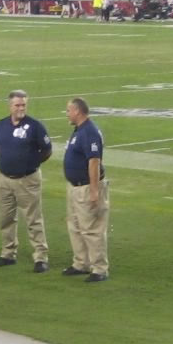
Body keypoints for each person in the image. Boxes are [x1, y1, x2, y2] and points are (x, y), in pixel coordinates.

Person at [0, 90, 53, 273]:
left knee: (33, 219)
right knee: (6, 218)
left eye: (23, 104)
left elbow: (47, 150)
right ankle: (7, 253)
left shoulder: (35, 126)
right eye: (17, 105)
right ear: (10, 106)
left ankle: (41, 257)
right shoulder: (1, 125)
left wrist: (31, 163)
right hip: (4, 179)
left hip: (27, 179)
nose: (21, 108)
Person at [61, 98, 108, 283]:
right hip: (75, 187)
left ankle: (99, 268)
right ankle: (81, 263)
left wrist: (94, 191)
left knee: (91, 229)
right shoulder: (79, 130)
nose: (67, 114)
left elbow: (94, 161)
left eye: (68, 110)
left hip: (87, 187)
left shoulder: (89, 131)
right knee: (76, 227)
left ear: (77, 111)